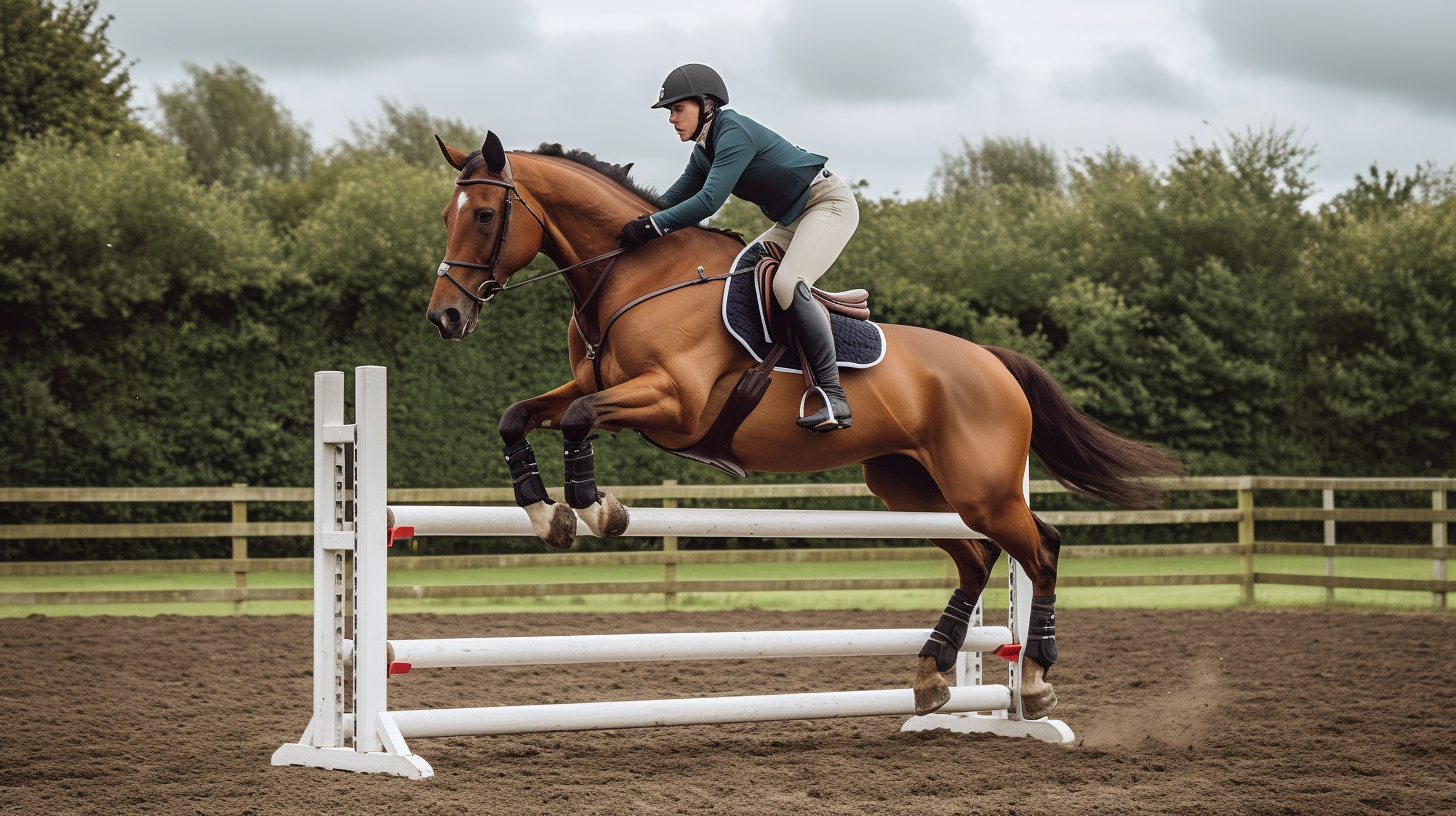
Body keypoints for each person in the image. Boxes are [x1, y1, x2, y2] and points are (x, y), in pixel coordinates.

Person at [618, 63, 860, 433]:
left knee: (786, 282)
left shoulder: (733, 131)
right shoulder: (704, 151)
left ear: (706, 104)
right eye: (669, 111)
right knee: (737, 273)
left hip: (827, 204)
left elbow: (709, 201)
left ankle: (834, 397)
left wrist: (652, 227)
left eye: (677, 108)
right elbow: (670, 200)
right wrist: (627, 220)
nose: (671, 119)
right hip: (792, 218)